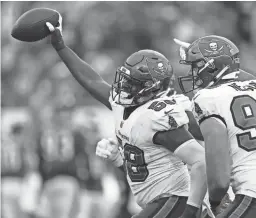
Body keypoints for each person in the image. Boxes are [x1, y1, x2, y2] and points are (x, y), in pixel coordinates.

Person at [44, 14, 207, 218]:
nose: (124, 86)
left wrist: (193, 208)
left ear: (151, 88)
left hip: (175, 198)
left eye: (132, 83)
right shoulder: (123, 106)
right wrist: (61, 47)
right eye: (125, 79)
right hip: (157, 199)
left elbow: (201, 159)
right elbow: (91, 80)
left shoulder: (159, 116)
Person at [175, 35, 256, 218]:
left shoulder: (209, 99)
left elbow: (219, 182)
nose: (192, 73)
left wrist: (216, 201)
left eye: (195, 66)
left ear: (211, 67)